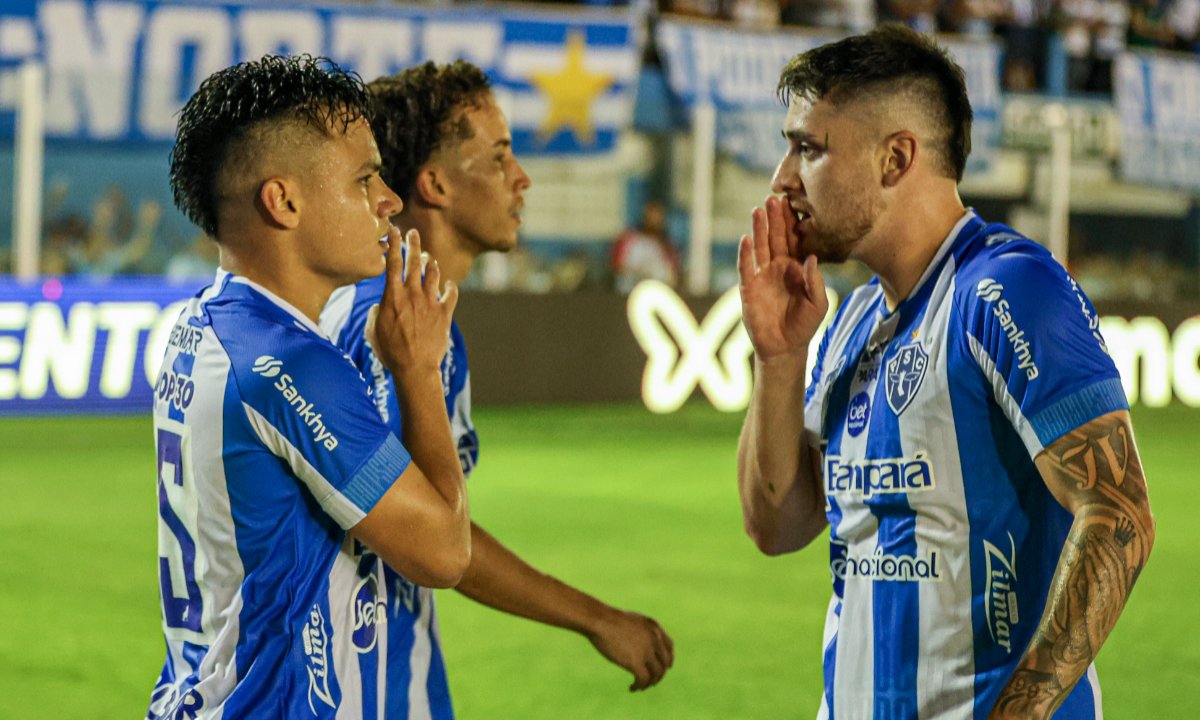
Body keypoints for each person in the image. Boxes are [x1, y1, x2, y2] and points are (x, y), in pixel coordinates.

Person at [736, 26, 1154, 719]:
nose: (783, 179)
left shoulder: (1007, 290)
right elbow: (776, 527)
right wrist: (778, 359)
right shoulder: (848, 322)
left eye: (809, 149)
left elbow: (1119, 515)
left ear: (895, 157)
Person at [319, 60, 674, 713]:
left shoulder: (414, 319)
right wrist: (595, 617)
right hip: (356, 688)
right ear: (435, 185)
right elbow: (426, 537)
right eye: (499, 157)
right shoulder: (384, 325)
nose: (522, 178)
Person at [148, 55, 471, 718]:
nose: (390, 200)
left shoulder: (202, 326)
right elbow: (443, 553)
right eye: (364, 178)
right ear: (284, 201)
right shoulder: (289, 363)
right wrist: (417, 370)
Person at [611, 198, 680, 294]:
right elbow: (617, 267)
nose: (654, 220)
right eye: (652, 215)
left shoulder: (667, 246)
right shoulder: (629, 238)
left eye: (658, 216)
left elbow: (673, 274)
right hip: (629, 291)